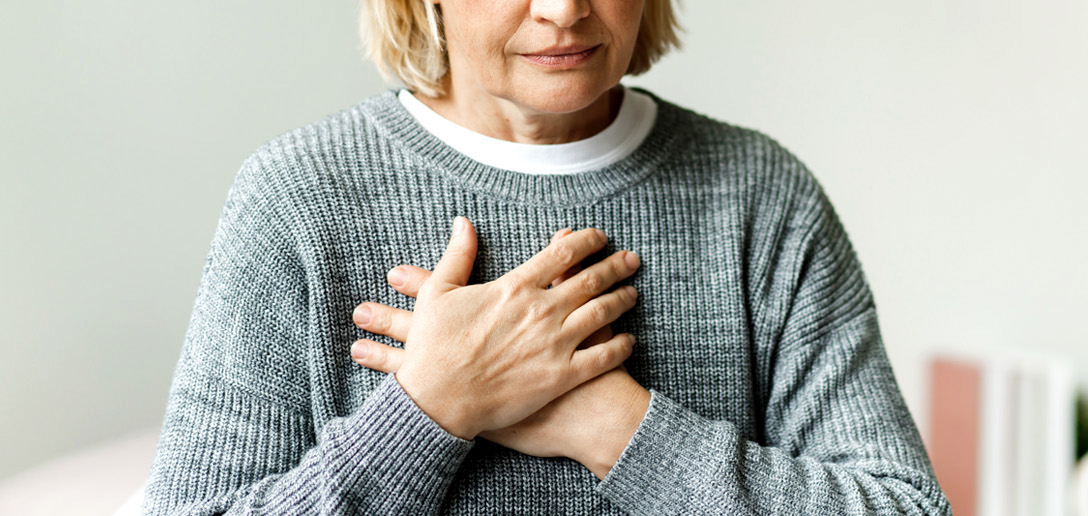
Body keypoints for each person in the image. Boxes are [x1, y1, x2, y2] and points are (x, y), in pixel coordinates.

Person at [141, 0, 952, 514]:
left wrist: (612, 426)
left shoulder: (760, 196)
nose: (564, 12)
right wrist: (432, 411)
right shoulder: (297, 200)